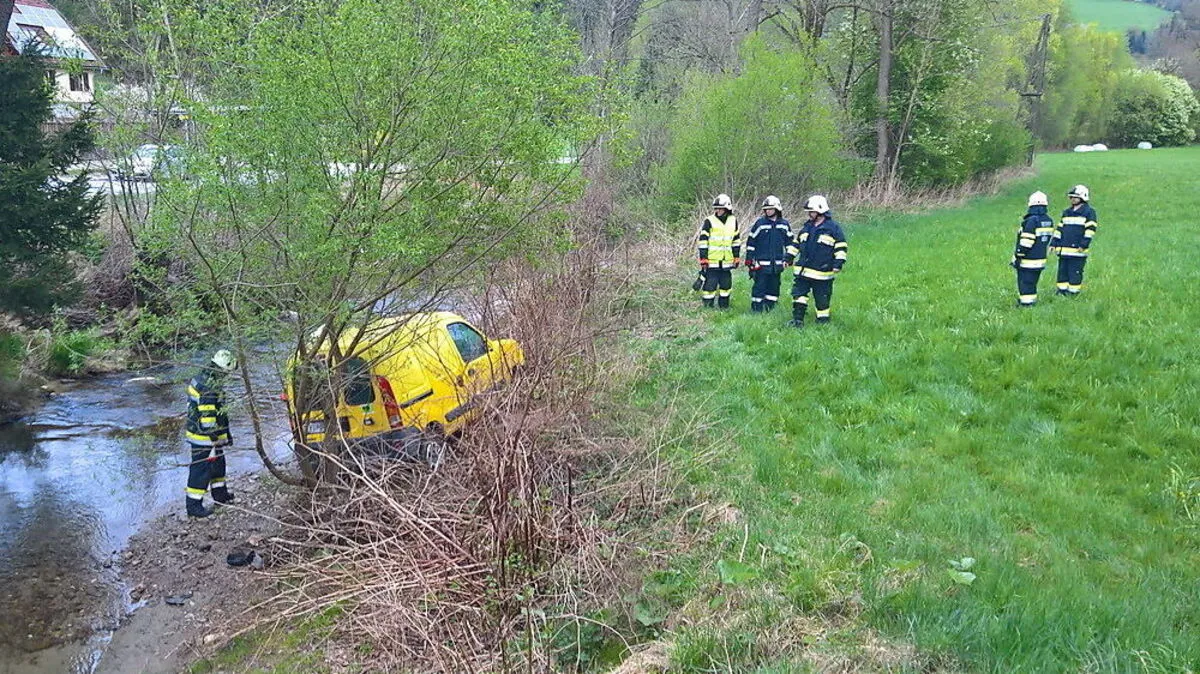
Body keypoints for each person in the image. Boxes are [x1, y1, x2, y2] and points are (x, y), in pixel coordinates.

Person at [185, 349, 238, 518]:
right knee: (200, 470)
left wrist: (225, 435)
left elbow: (219, 412)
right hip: (204, 438)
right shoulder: (208, 386)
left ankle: (220, 495)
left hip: (209, 436)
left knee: (218, 466)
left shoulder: (208, 378)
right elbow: (208, 420)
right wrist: (216, 437)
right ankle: (193, 506)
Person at [785, 195, 847, 327]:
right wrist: (788, 257)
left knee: (822, 298)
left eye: (811, 212)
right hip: (803, 271)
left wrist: (838, 263)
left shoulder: (833, 229)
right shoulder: (806, 227)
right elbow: (796, 244)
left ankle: (823, 321)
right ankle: (798, 320)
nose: (809, 214)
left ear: (820, 210)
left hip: (823, 272)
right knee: (799, 294)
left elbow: (841, 247)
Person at [745, 196, 792, 312]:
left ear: (777, 209)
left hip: (777, 265)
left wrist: (788, 258)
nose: (768, 211)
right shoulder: (760, 224)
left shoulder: (784, 225)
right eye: (766, 209)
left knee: (774, 287)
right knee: (759, 287)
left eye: (770, 209)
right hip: (761, 264)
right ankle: (756, 310)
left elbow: (790, 243)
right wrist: (749, 260)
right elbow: (751, 242)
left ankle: (770, 308)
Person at [696, 193, 741, 309]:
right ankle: (707, 308)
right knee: (710, 286)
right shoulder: (709, 221)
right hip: (712, 261)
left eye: (719, 208)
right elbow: (703, 241)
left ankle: (724, 308)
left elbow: (736, 240)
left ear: (727, 208)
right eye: (716, 208)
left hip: (727, 262)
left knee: (726, 286)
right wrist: (703, 258)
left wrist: (736, 257)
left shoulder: (733, 220)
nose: (717, 210)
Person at [1011, 191, 1055, 307]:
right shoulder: (1048, 220)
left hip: (1028, 261)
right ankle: (1032, 301)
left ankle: (1026, 304)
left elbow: (1026, 242)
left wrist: (1018, 255)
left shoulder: (1031, 221)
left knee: (1025, 283)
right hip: (1040, 260)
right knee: (1033, 283)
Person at [1052, 185, 1097, 296]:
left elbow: (1090, 230)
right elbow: (1059, 229)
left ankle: (1073, 292)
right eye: (1071, 197)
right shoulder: (1066, 212)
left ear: (1083, 197)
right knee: (1062, 271)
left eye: (1075, 197)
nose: (1072, 199)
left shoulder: (1089, 212)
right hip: (1063, 250)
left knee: (1075, 272)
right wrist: (1054, 243)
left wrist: (1084, 245)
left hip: (1078, 250)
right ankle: (1061, 291)